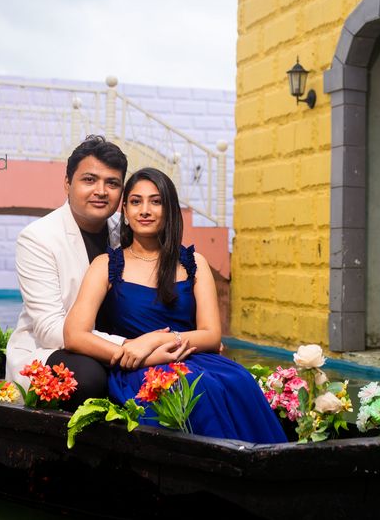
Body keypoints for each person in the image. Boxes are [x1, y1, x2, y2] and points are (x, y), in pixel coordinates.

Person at [64, 167, 286, 443]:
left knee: (238, 380)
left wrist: (158, 341)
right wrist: (134, 351)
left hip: (192, 357)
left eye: (155, 201)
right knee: (196, 388)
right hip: (138, 369)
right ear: (125, 209)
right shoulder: (106, 265)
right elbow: (74, 335)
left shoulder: (194, 264)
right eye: (136, 201)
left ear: (169, 209)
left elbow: (211, 334)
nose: (145, 210)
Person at [6, 135, 131, 404]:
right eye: (89, 180)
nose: (101, 191)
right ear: (67, 183)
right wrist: (127, 347)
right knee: (89, 379)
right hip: (50, 349)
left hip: (112, 340)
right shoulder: (38, 238)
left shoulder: (128, 231)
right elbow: (51, 329)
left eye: (112, 183)